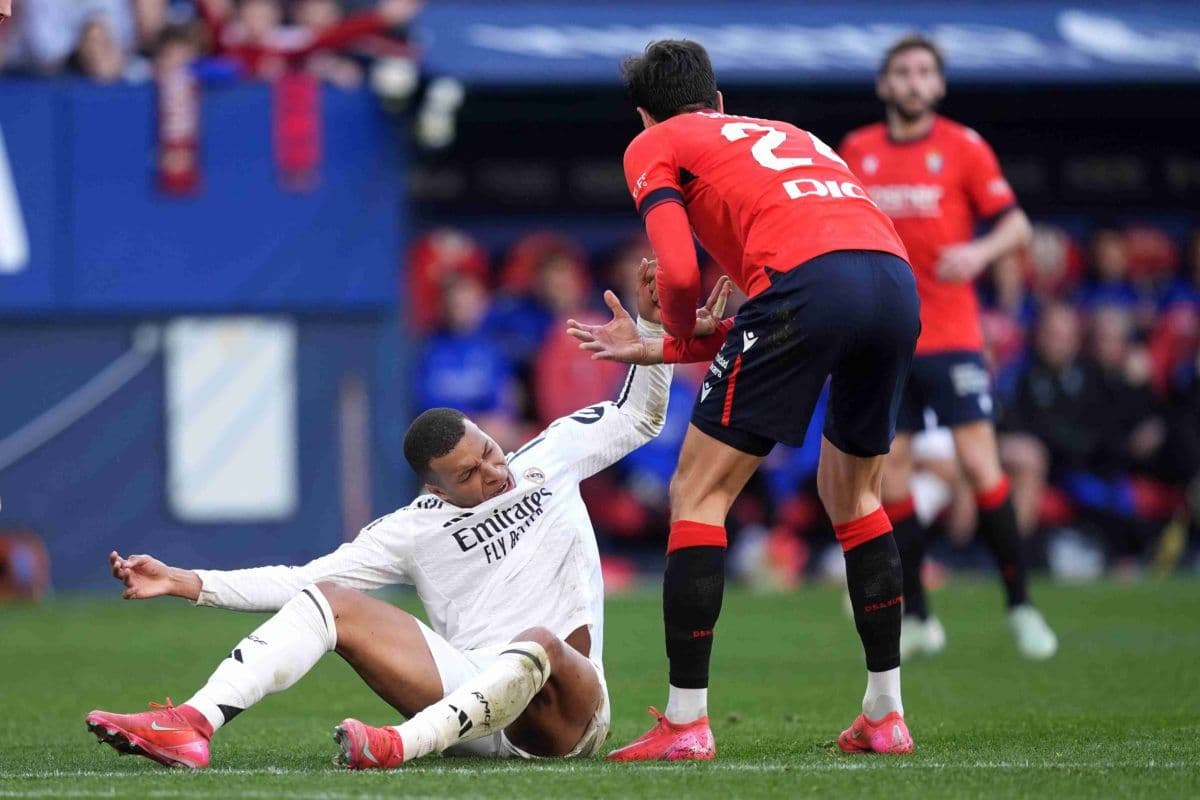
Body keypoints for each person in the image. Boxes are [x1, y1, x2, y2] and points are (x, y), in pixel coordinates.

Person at [84, 278, 723, 770]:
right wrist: (188, 582)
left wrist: (652, 325)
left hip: (562, 712)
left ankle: (396, 745)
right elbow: (296, 580)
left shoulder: (547, 458)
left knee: (538, 641)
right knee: (326, 600)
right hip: (467, 702)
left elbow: (640, 419)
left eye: (489, 453)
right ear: (434, 487)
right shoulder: (412, 529)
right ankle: (193, 724)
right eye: (469, 475)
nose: (494, 473)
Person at [581, 39, 922, 760]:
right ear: (721, 100)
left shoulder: (659, 143)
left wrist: (670, 332)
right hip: (893, 282)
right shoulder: (793, 137)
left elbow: (678, 270)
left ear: (644, 116)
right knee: (856, 496)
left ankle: (685, 724)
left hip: (812, 284)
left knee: (698, 492)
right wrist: (679, 344)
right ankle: (885, 714)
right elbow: (807, 302)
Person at [839, 34, 1056, 660]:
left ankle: (1021, 608)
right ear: (885, 86)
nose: (913, 81)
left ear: (938, 85)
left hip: (955, 337)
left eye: (924, 72)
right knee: (892, 477)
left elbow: (1015, 222)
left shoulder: (963, 147)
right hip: (885, 340)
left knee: (983, 466)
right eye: (902, 72)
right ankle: (922, 618)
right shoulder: (858, 150)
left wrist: (980, 252)